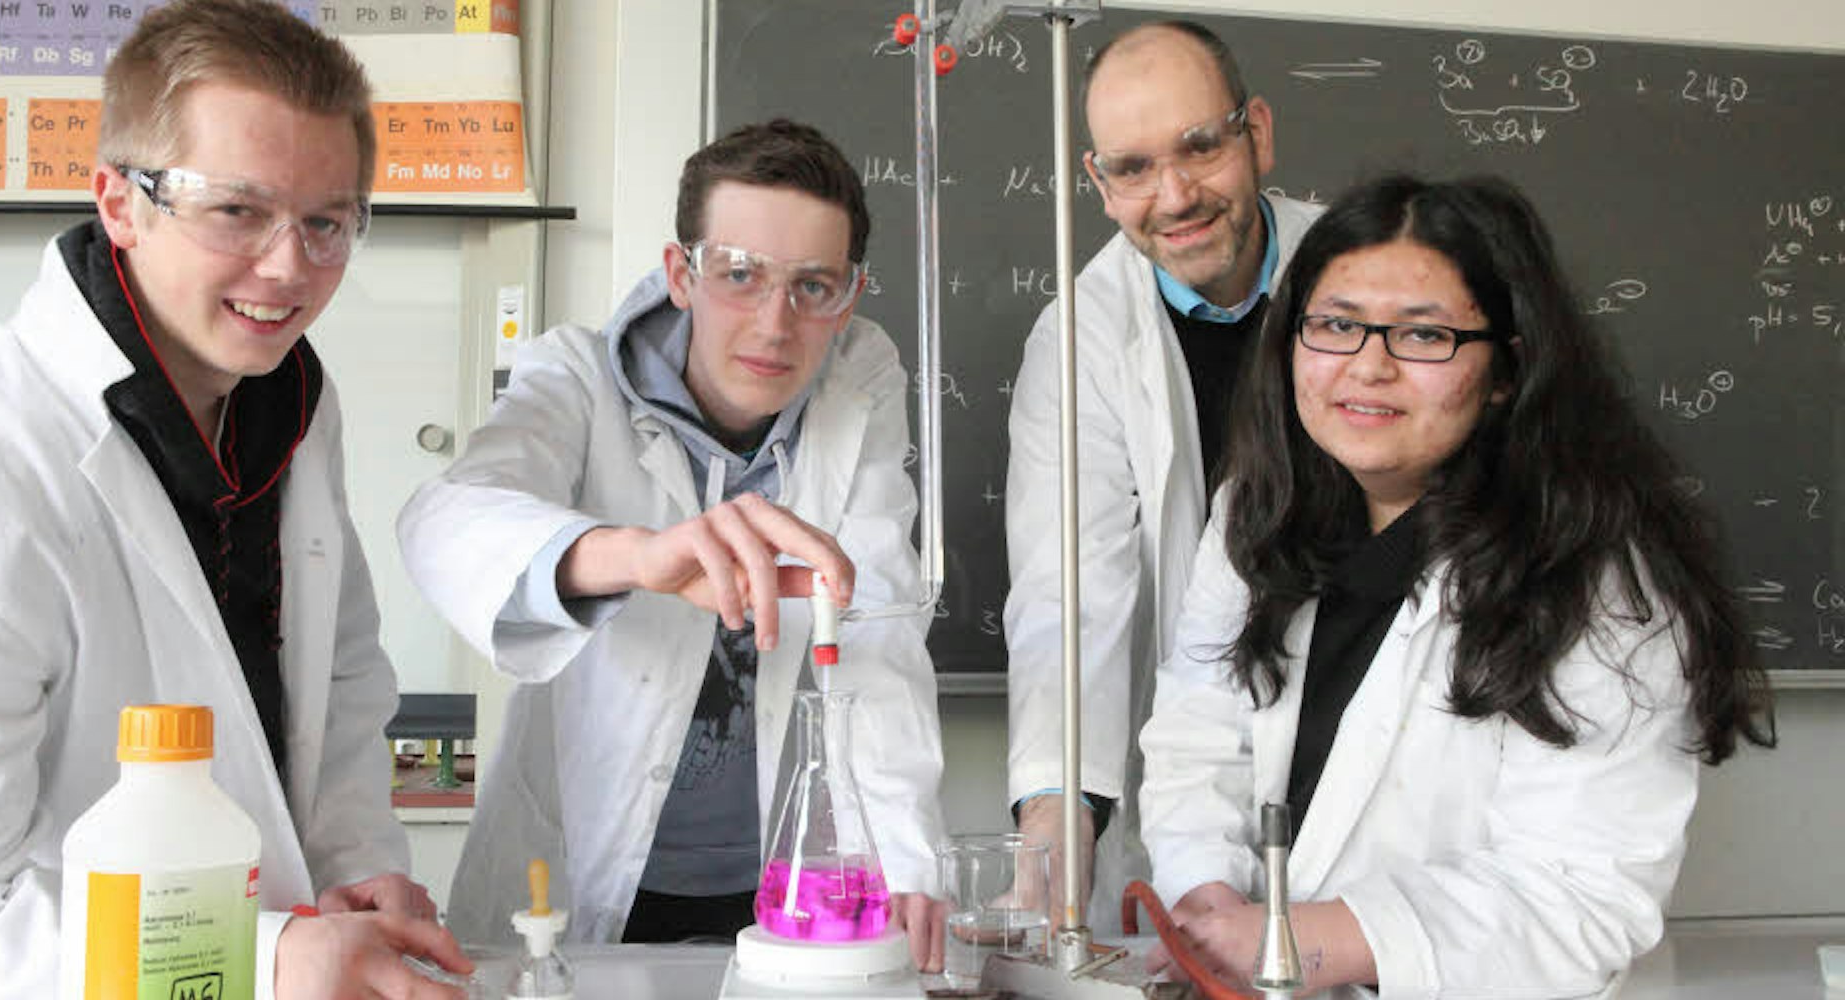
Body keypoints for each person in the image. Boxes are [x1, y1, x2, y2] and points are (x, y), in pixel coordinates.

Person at [0, 0, 472, 995]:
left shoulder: (292, 409)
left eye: (326, 221)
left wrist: (356, 871)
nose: (289, 267)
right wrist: (264, 956)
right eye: (237, 210)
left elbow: (340, 690)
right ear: (118, 201)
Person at [1137, 174, 1776, 996]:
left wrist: (1299, 942)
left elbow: (1581, 895)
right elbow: (1200, 727)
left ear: (1507, 368)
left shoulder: (1600, 584)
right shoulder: (1257, 511)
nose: (1368, 367)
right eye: (1336, 325)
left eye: (1423, 335)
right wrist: (1207, 896)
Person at [397, 119, 949, 969]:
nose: (775, 323)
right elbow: (443, 521)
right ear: (681, 275)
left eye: (813, 286)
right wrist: (634, 558)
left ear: (850, 295)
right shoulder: (575, 377)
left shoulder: (858, 388)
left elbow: (876, 625)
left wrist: (906, 861)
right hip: (583, 872)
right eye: (740, 275)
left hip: (781, 878)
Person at [1002, 19, 1325, 927]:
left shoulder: (1362, 277)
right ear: (1099, 183)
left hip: (1367, 727)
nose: (1175, 195)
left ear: (1257, 133)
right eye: (1134, 168)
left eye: (1200, 147)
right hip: (1195, 760)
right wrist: (1057, 818)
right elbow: (1069, 592)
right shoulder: (1081, 338)